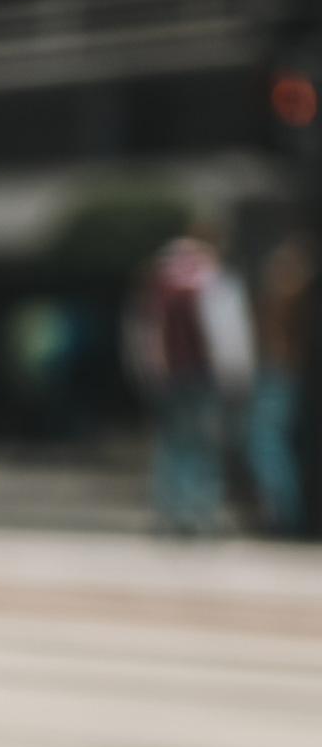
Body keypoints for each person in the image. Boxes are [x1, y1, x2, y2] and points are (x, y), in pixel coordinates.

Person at [127, 229, 254, 535]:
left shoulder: (157, 285)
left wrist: (146, 373)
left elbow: (139, 334)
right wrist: (239, 376)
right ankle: (202, 512)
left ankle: (171, 512)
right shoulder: (213, 283)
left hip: (169, 379)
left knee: (171, 445)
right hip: (203, 377)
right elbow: (229, 335)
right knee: (205, 446)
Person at [250, 232, 309, 534]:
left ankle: (282, 515)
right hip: (278, 372)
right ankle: (280, 513)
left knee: (265, 444)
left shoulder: (286, 296)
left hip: (276, 372)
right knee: (267, 444)